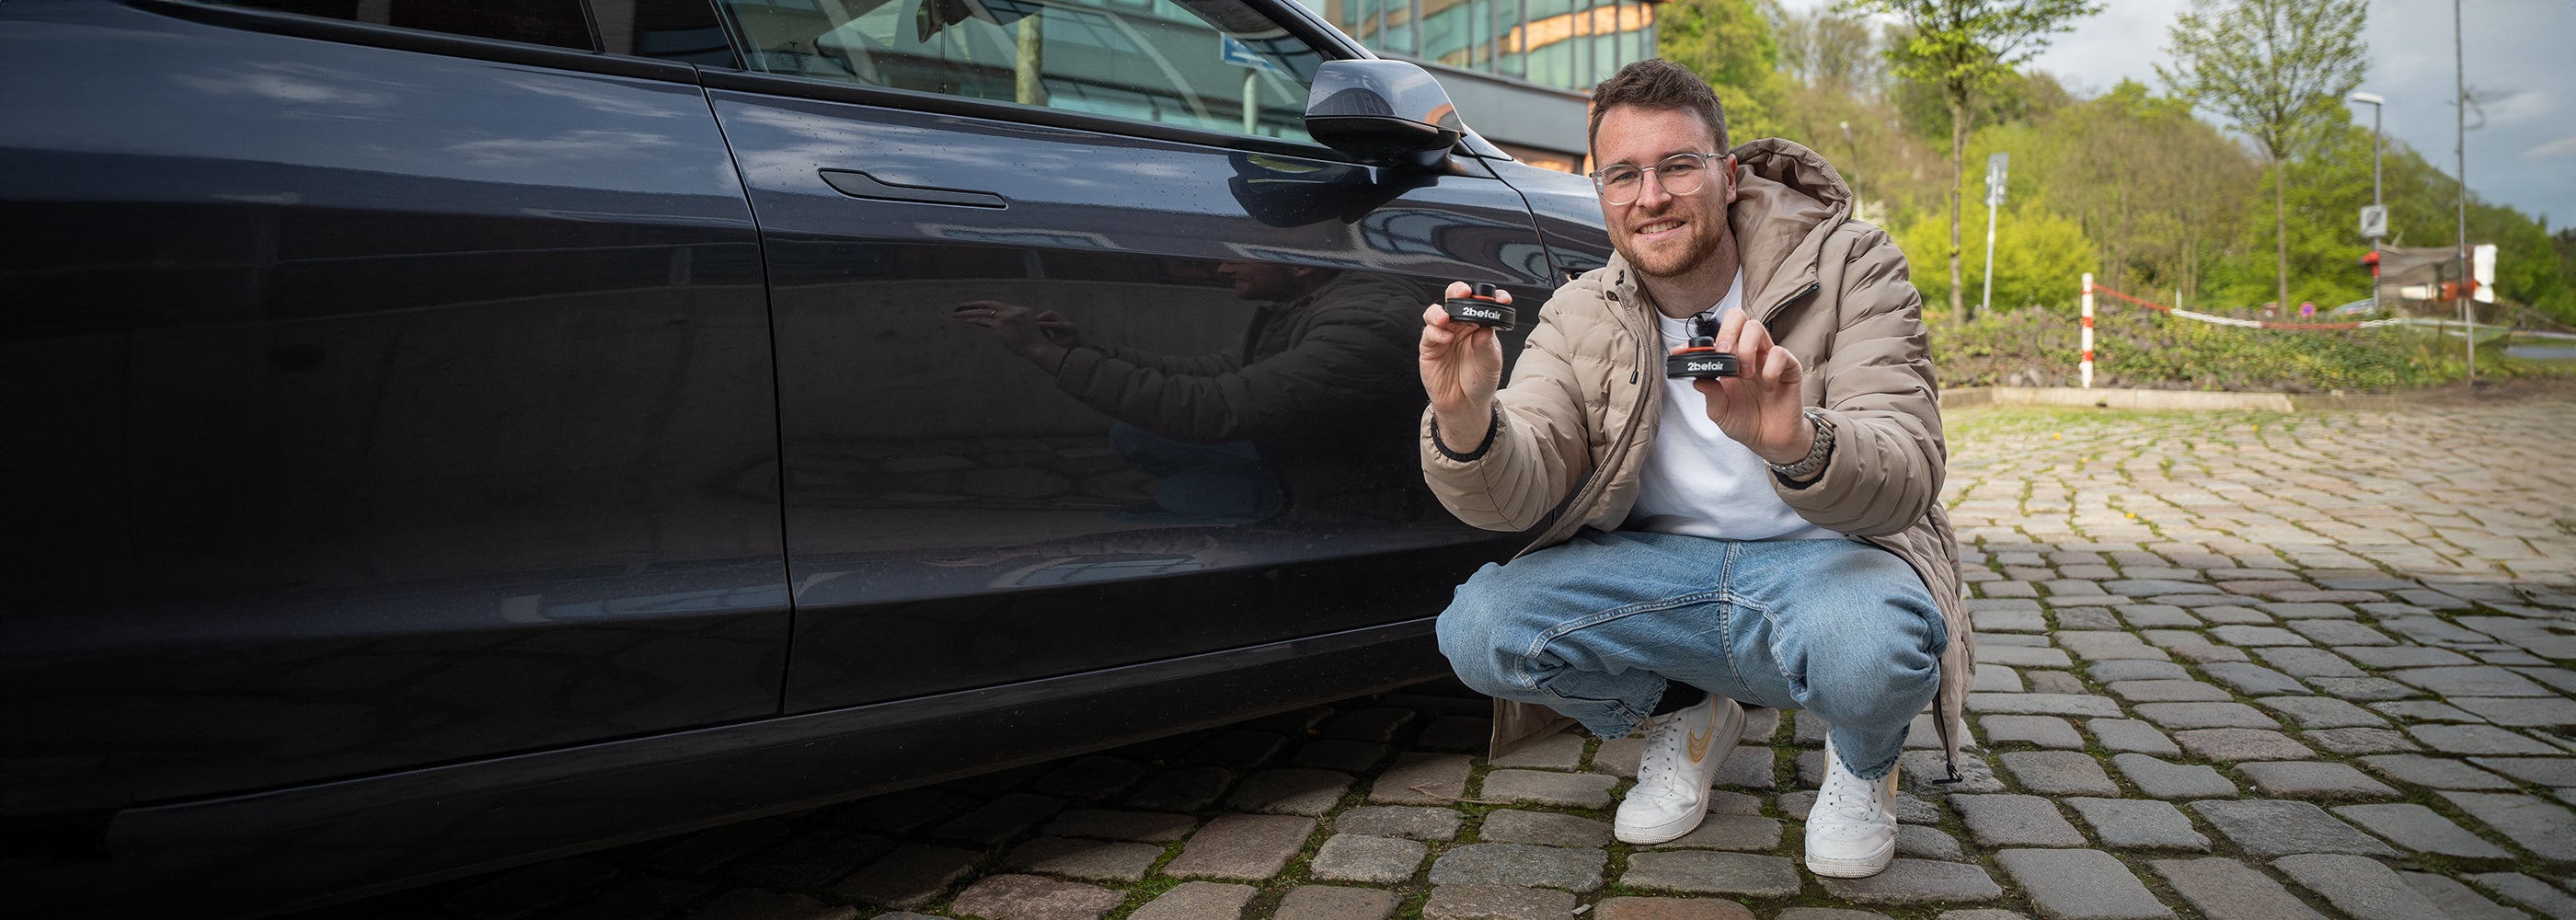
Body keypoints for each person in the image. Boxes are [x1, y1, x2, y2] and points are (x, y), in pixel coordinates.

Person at [1416, 59, 1968, 879]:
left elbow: (1909, 468)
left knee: (1871, 648)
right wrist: (1467, 422)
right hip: (1658, 574)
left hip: (1831, 566)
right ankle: (1689, 710)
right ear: (1601, 191)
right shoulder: (1580, 309)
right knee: (1479, 628)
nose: (1651, 196)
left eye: (1678, 165)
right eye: (1624, 175)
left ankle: (1862, 759)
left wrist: (1797, 442)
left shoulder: (1854, 265)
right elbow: (1519, 489)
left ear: (1728, 174)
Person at [956, 260, 1427, 523]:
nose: (1223, 265)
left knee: (1165, 503)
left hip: (1344, 489)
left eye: (1240, 251)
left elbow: (1214, 408)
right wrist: (1083, 352)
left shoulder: (1364, 325)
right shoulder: (1315, 301)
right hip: (1305, 450)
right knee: (1133, 436)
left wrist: (1042, 353)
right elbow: (1218, 372)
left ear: (1301, 262)